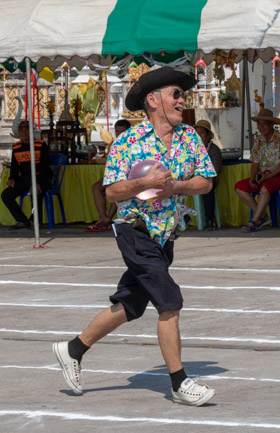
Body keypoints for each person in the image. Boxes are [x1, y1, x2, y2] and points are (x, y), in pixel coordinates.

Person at [52, 66, 217, 406]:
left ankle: (73, 349)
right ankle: (179, 382)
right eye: (176, 94)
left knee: (130, 304)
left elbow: (206, 181)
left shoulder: (189, 137)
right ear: (153, 100)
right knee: (169, 301)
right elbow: (112, 192)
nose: (181, 100)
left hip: (166, 233)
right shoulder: (128, 142)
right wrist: (144, 183)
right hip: (134, 229)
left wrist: (177, 186)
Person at [234, 108, 280, 232]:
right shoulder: (258, 141)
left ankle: (254, 221)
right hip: (263, 176)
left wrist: (269, 176)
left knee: (265, 188)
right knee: (240, 187)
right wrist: (252, 178)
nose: (261, 127)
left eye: (264, 124)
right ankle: (262, 216)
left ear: (272, 125)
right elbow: (255, 163)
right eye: (259, 125)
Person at [1, 120, 50, 229]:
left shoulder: (41, 145)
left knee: (36, 189)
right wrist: (12, 178)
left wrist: (37, 182)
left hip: (40, 178)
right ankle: (22, 220)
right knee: (6, 195)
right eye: (21, 130)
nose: (24, 132)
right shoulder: (16, 147)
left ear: (31, 131)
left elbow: (45, 167)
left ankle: (36, 220)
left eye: (26, 129)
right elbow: (14, 167)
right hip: (24, 179)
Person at [86, 119, 131, 232]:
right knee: (96, 188)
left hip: (129, 178)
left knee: (118, 191)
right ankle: (104, 218)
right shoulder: (114, 144)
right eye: (117, 132)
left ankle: (107, 220)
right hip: (114, 176)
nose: (119, 134)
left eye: (122, 131)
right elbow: (109, 161)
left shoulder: (133, 144)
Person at [195, 119, 223, 229]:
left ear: (207, 135)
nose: (198, 136)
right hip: (195, 178)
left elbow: (215, 170)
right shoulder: (194, 149)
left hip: (210, 178)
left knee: (207, 189)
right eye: (197, 134)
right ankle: (184, 218)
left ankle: (210, 219)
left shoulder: (213, 150)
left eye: (201, 133)